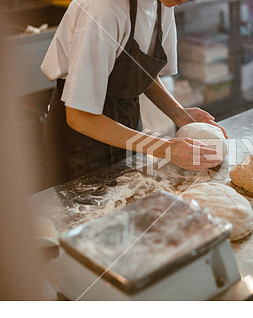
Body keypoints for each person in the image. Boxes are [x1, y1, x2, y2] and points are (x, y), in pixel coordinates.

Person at [41, 0, 227, 186]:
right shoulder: (104, 10)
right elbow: (79, 116)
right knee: (92, 211)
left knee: (131, 200)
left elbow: (139, 70)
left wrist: (177, 113)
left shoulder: (163, 3)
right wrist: (164, 148)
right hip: (80, 142)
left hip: (127, 121)